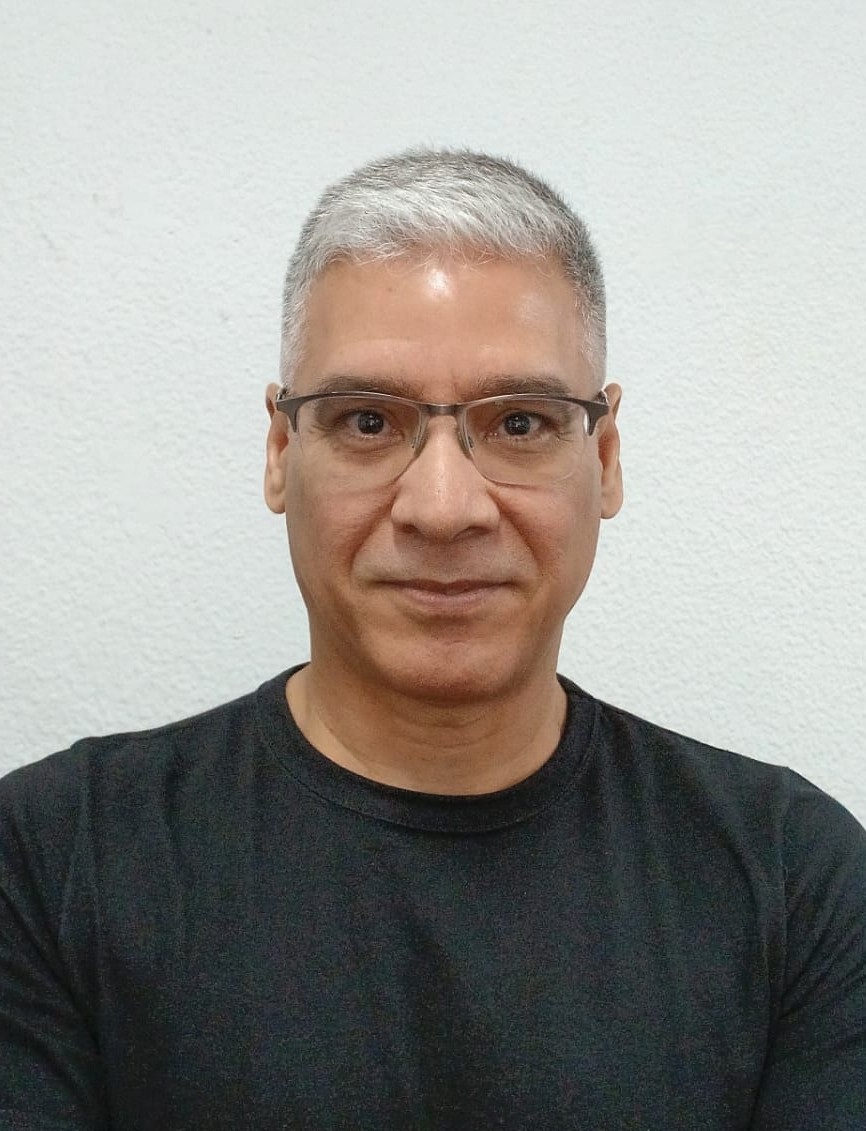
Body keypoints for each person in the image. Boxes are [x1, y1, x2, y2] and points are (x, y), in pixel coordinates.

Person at [2, 149, 864, 1131]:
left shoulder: (791, 877)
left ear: (605, 457)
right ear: (281, 451)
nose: (444, 507)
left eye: (521, 423)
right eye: (368, 420)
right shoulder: (51, 862)